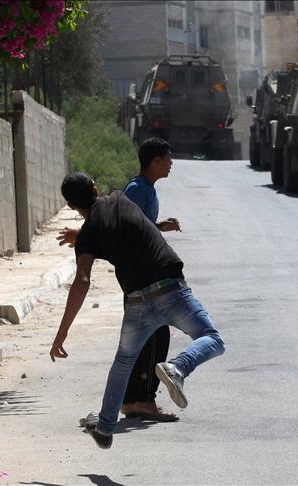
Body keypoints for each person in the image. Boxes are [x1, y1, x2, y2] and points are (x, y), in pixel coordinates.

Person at [50, 171, 225, 449]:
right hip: (169, 288)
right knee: (212, 339)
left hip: (137, 301)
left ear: (70, 205)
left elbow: (82, 279)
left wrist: (62, 333)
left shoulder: (88, 237)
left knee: (123, 363)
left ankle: (105, 428)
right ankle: (177, 368)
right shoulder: (120, 198)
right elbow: (128, 224)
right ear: (96, 190)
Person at [57, 138, 181, 422]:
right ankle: (141, 401)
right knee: (154, 336)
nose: (171, 163)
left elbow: (124, 226)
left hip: (138, 276)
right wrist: (83, 235)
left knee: (147, 338)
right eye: (167, 158)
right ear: (155, 162)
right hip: (142, 279)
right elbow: (118, 225)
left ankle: (134, 400)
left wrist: (158, 227)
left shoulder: (141, 190)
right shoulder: (134, 190)